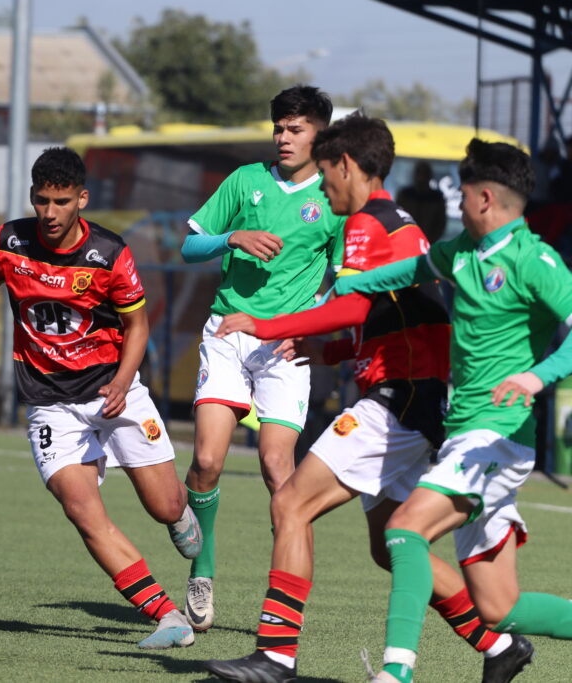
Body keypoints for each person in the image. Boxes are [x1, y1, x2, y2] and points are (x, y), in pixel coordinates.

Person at [201, 114, 533, 683]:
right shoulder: (398, 222)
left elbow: (357, 306)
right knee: (390, 547)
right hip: (418, 395)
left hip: (397, 401)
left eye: (326, 175)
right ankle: (498, 644)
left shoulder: (366, 222)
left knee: (291, 505)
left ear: (347, 166)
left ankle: (275, 657)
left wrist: (267, 324)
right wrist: (331, 353)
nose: (323, 189)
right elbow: (398, 310)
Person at [327, 139, 572, 683]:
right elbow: (409, 272)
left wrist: (537, 375)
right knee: (499, 609)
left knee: (405, 530)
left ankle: (396, 674)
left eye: (461, 195)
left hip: (499, 436)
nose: (455, 205)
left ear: (485, 198)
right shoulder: (461, 251)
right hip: (465, 434)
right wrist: (352, 283)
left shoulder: (536, 260)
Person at [0, 147, 202, 649]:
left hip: (114, 391)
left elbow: (137, 325)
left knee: (164, 506)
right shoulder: (9, 242)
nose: (50, 213)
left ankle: (181, 514)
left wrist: (124, 382)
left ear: (81, 198)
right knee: (82, 510)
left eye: (61, 202)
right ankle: (167, 616)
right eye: (41, 201)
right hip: (49, 403)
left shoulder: (109, 253)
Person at [179, 85, 346, 632]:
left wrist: (308, 323)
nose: (283, 138)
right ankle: (202, 574)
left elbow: (341, 284)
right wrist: (233, 238)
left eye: (295, 129)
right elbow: (190, 246)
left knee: (280, 469)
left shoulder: (334, 198)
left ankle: (284, 605)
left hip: (284, 347)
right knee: (206, 460)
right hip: (228, 331)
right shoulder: (245, 181)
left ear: (320, 134)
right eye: (279, 128)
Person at [397, 160, 447, 243]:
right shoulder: (405, 195)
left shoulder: (436, 198)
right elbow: (398, 218)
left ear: (429, 176)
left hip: (428, 242)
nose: (421, 178)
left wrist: (429, 240)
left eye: (424, 174)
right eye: (419, 173)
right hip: (407, 241)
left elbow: (440, 224)